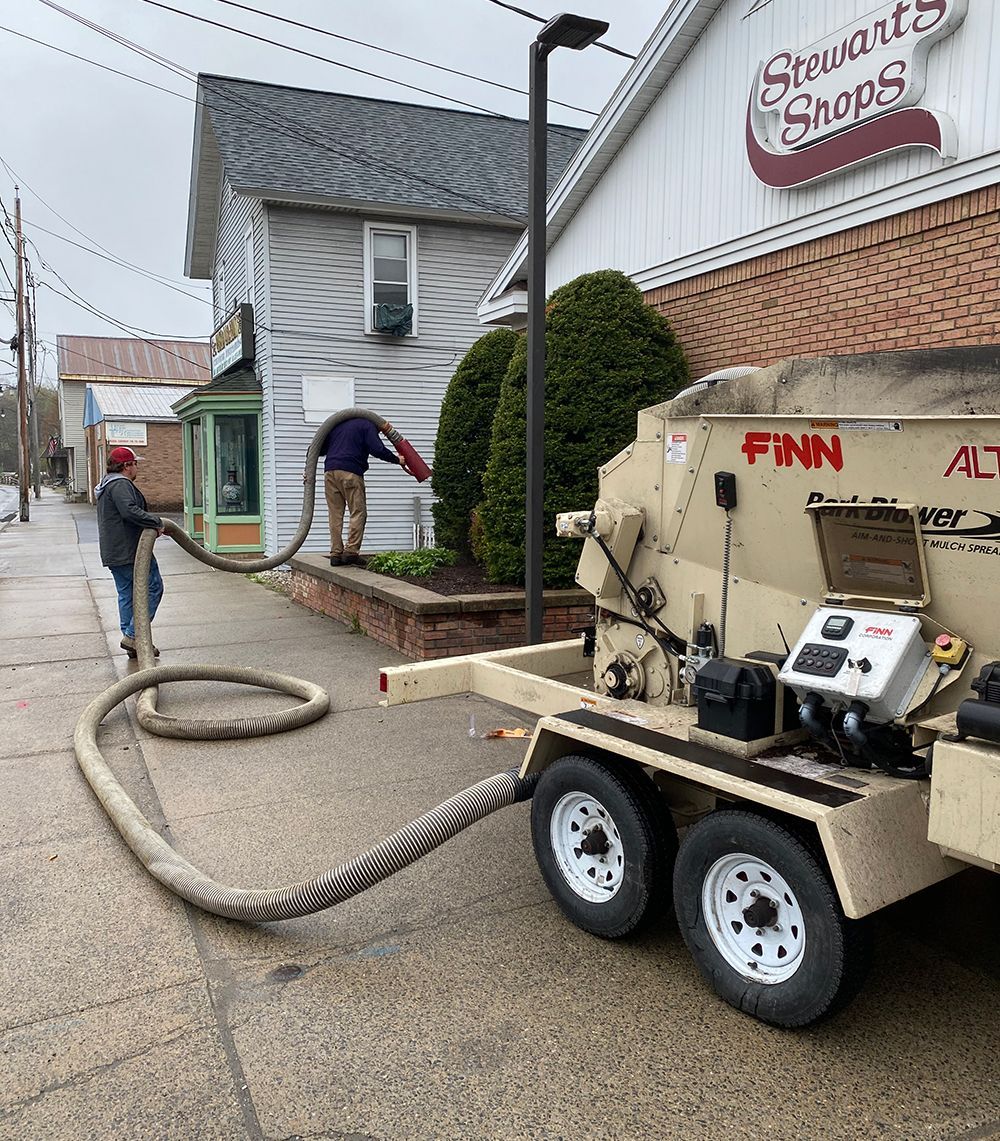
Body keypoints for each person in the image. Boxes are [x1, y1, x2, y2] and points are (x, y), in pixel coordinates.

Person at [95, 445, 165, 658]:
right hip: (131, 551)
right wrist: (156, 522)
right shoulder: (120, 484)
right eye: (135, 464)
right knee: (154, 588)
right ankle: (133, 636)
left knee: (127, 594)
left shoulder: (107, 485)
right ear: (127, 466)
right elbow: (129, 510)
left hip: (114, 551)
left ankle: (132, 640)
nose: (137, 469)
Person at [317, 417, 410, 566]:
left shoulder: (337, 425)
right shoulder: (368, 425)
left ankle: (335, 554)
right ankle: (351, 552)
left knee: (335, 514)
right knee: (358, 512)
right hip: (350, 472)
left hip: (330, 471)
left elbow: (318, 449)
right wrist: (396, 459)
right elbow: (377, 449)